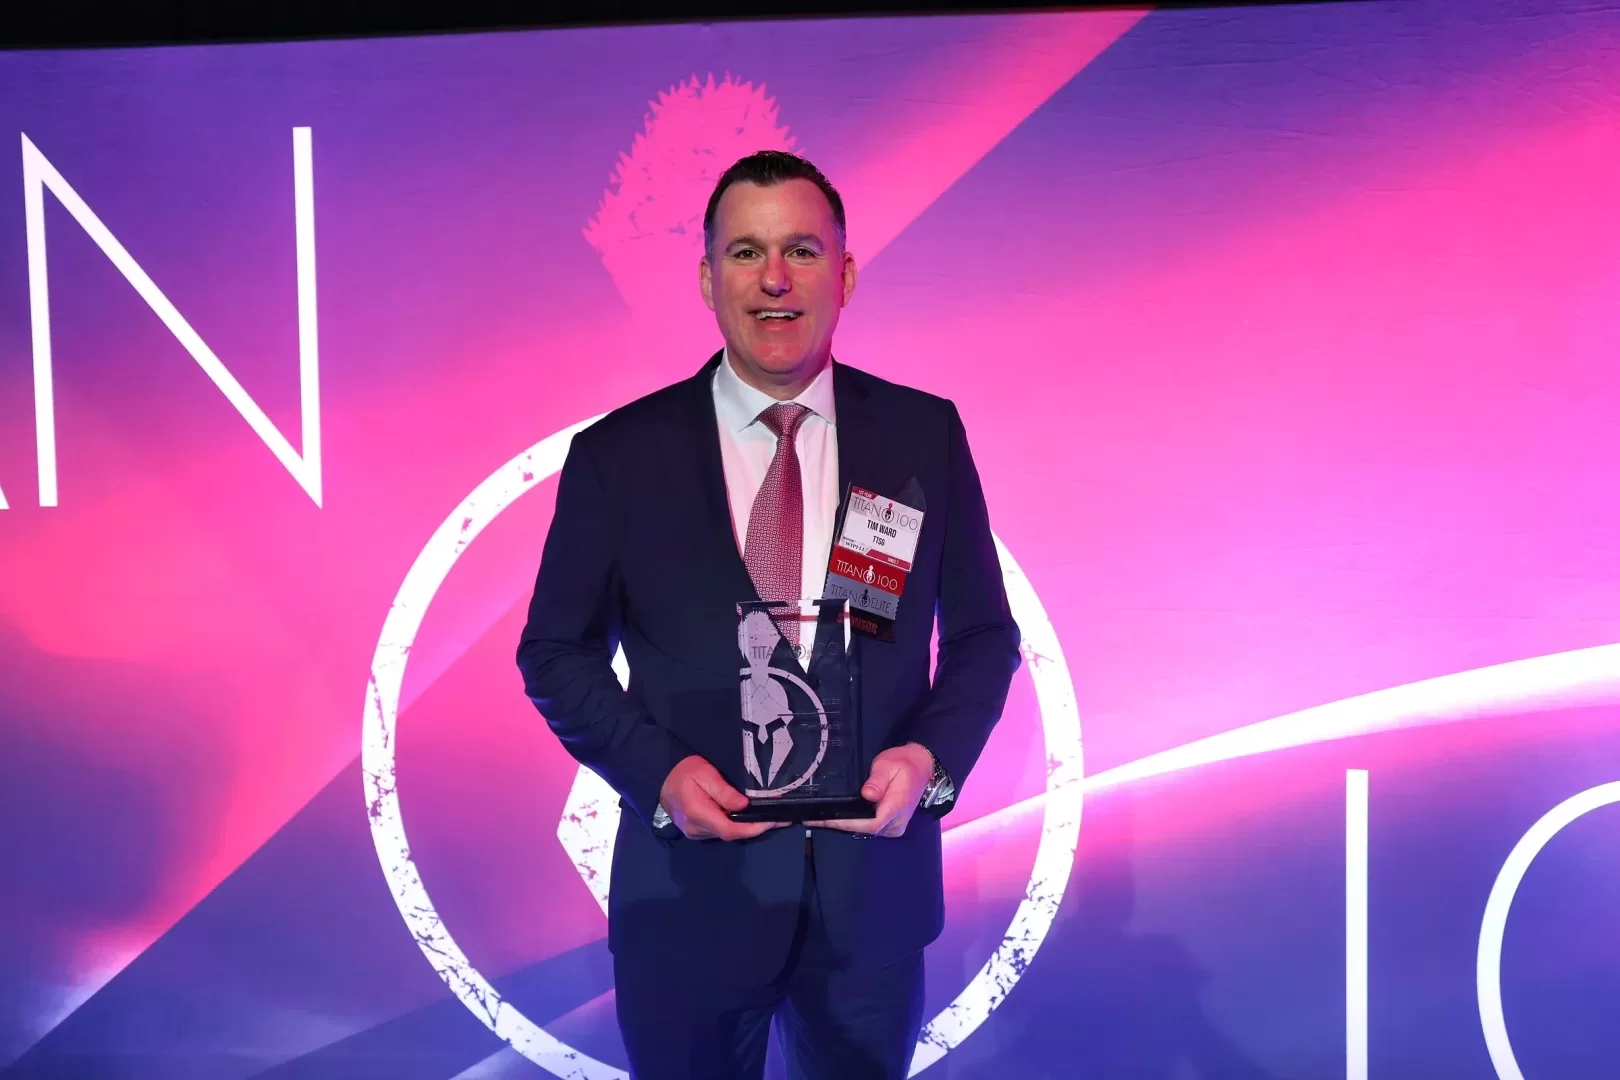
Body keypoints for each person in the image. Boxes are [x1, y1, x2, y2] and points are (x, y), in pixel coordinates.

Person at [516, 150, 1020, 1080]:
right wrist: (659, 774)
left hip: (872, 907)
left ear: (846, 275)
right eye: (746, 252)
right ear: (709, 279)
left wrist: (930, 760)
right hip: (688, 903)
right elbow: (555, 652)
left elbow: (986, 636)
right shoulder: (618, 456)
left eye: (802, 250)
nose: (775, 279)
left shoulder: (923, 434)